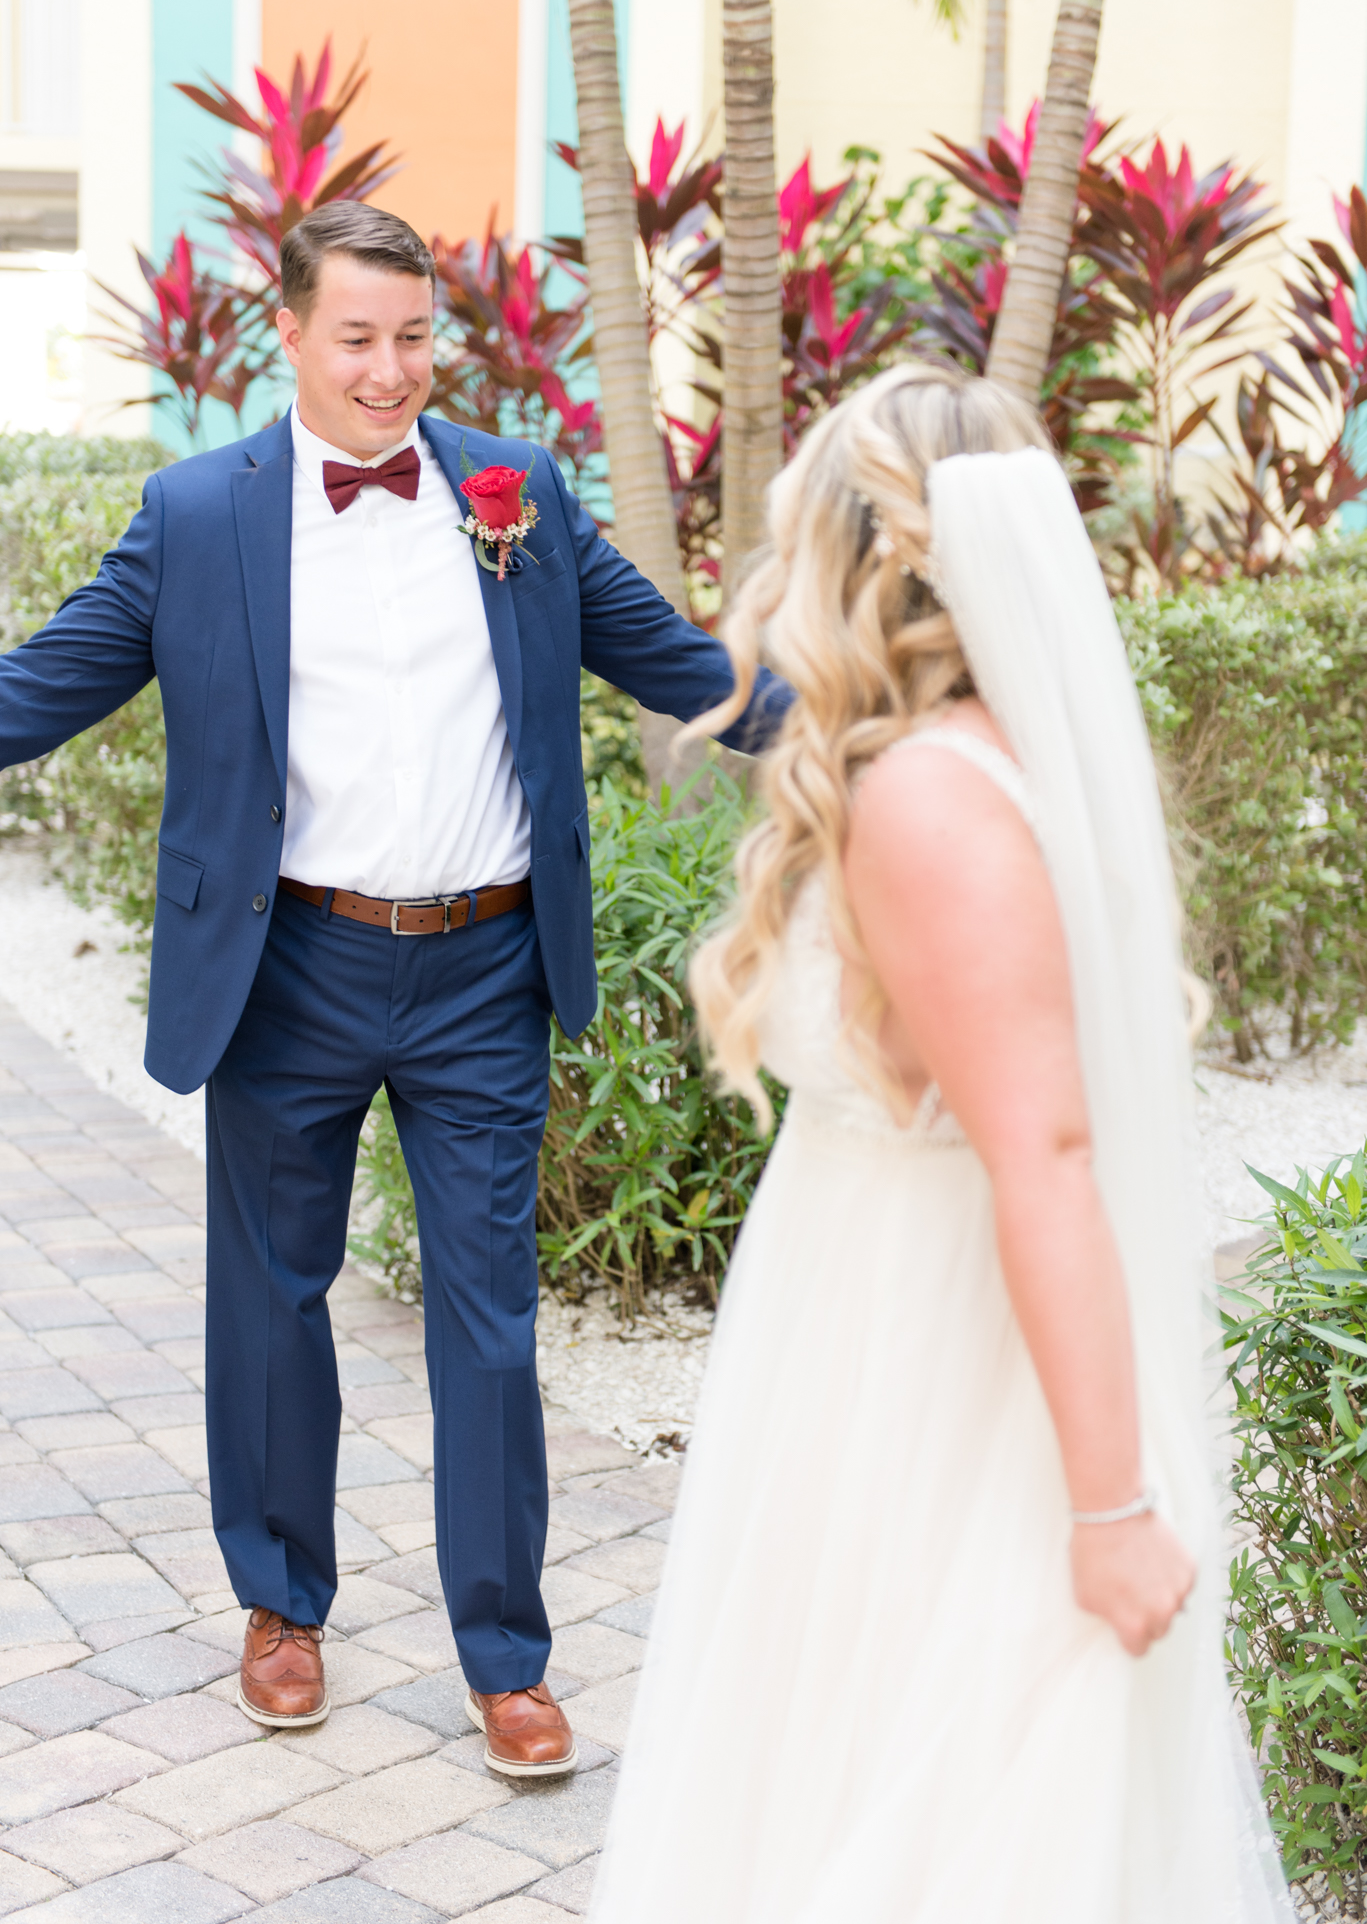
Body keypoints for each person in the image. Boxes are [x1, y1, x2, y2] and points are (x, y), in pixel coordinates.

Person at [0, 201, 787, 1771]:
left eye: (414, 336)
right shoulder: (198, 515)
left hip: (485, 964)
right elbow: (46, 683)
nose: (389, 371)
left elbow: (674, 664)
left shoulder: (517, 492)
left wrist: (875, 723)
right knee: (276, 1307)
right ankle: (282, 1607)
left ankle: (507, 1655)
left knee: (490, 1324)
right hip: (287, 964)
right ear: (284, 332)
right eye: (356, 337)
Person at [589, 364, 1293, 1919]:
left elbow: (1044, 1154)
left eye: (784, 535)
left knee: (921, 1808)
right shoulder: (987, 763)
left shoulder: (927, 802)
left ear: (856, 555)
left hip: (924, 1369)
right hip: (879, 1339)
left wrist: (1107, 1508)